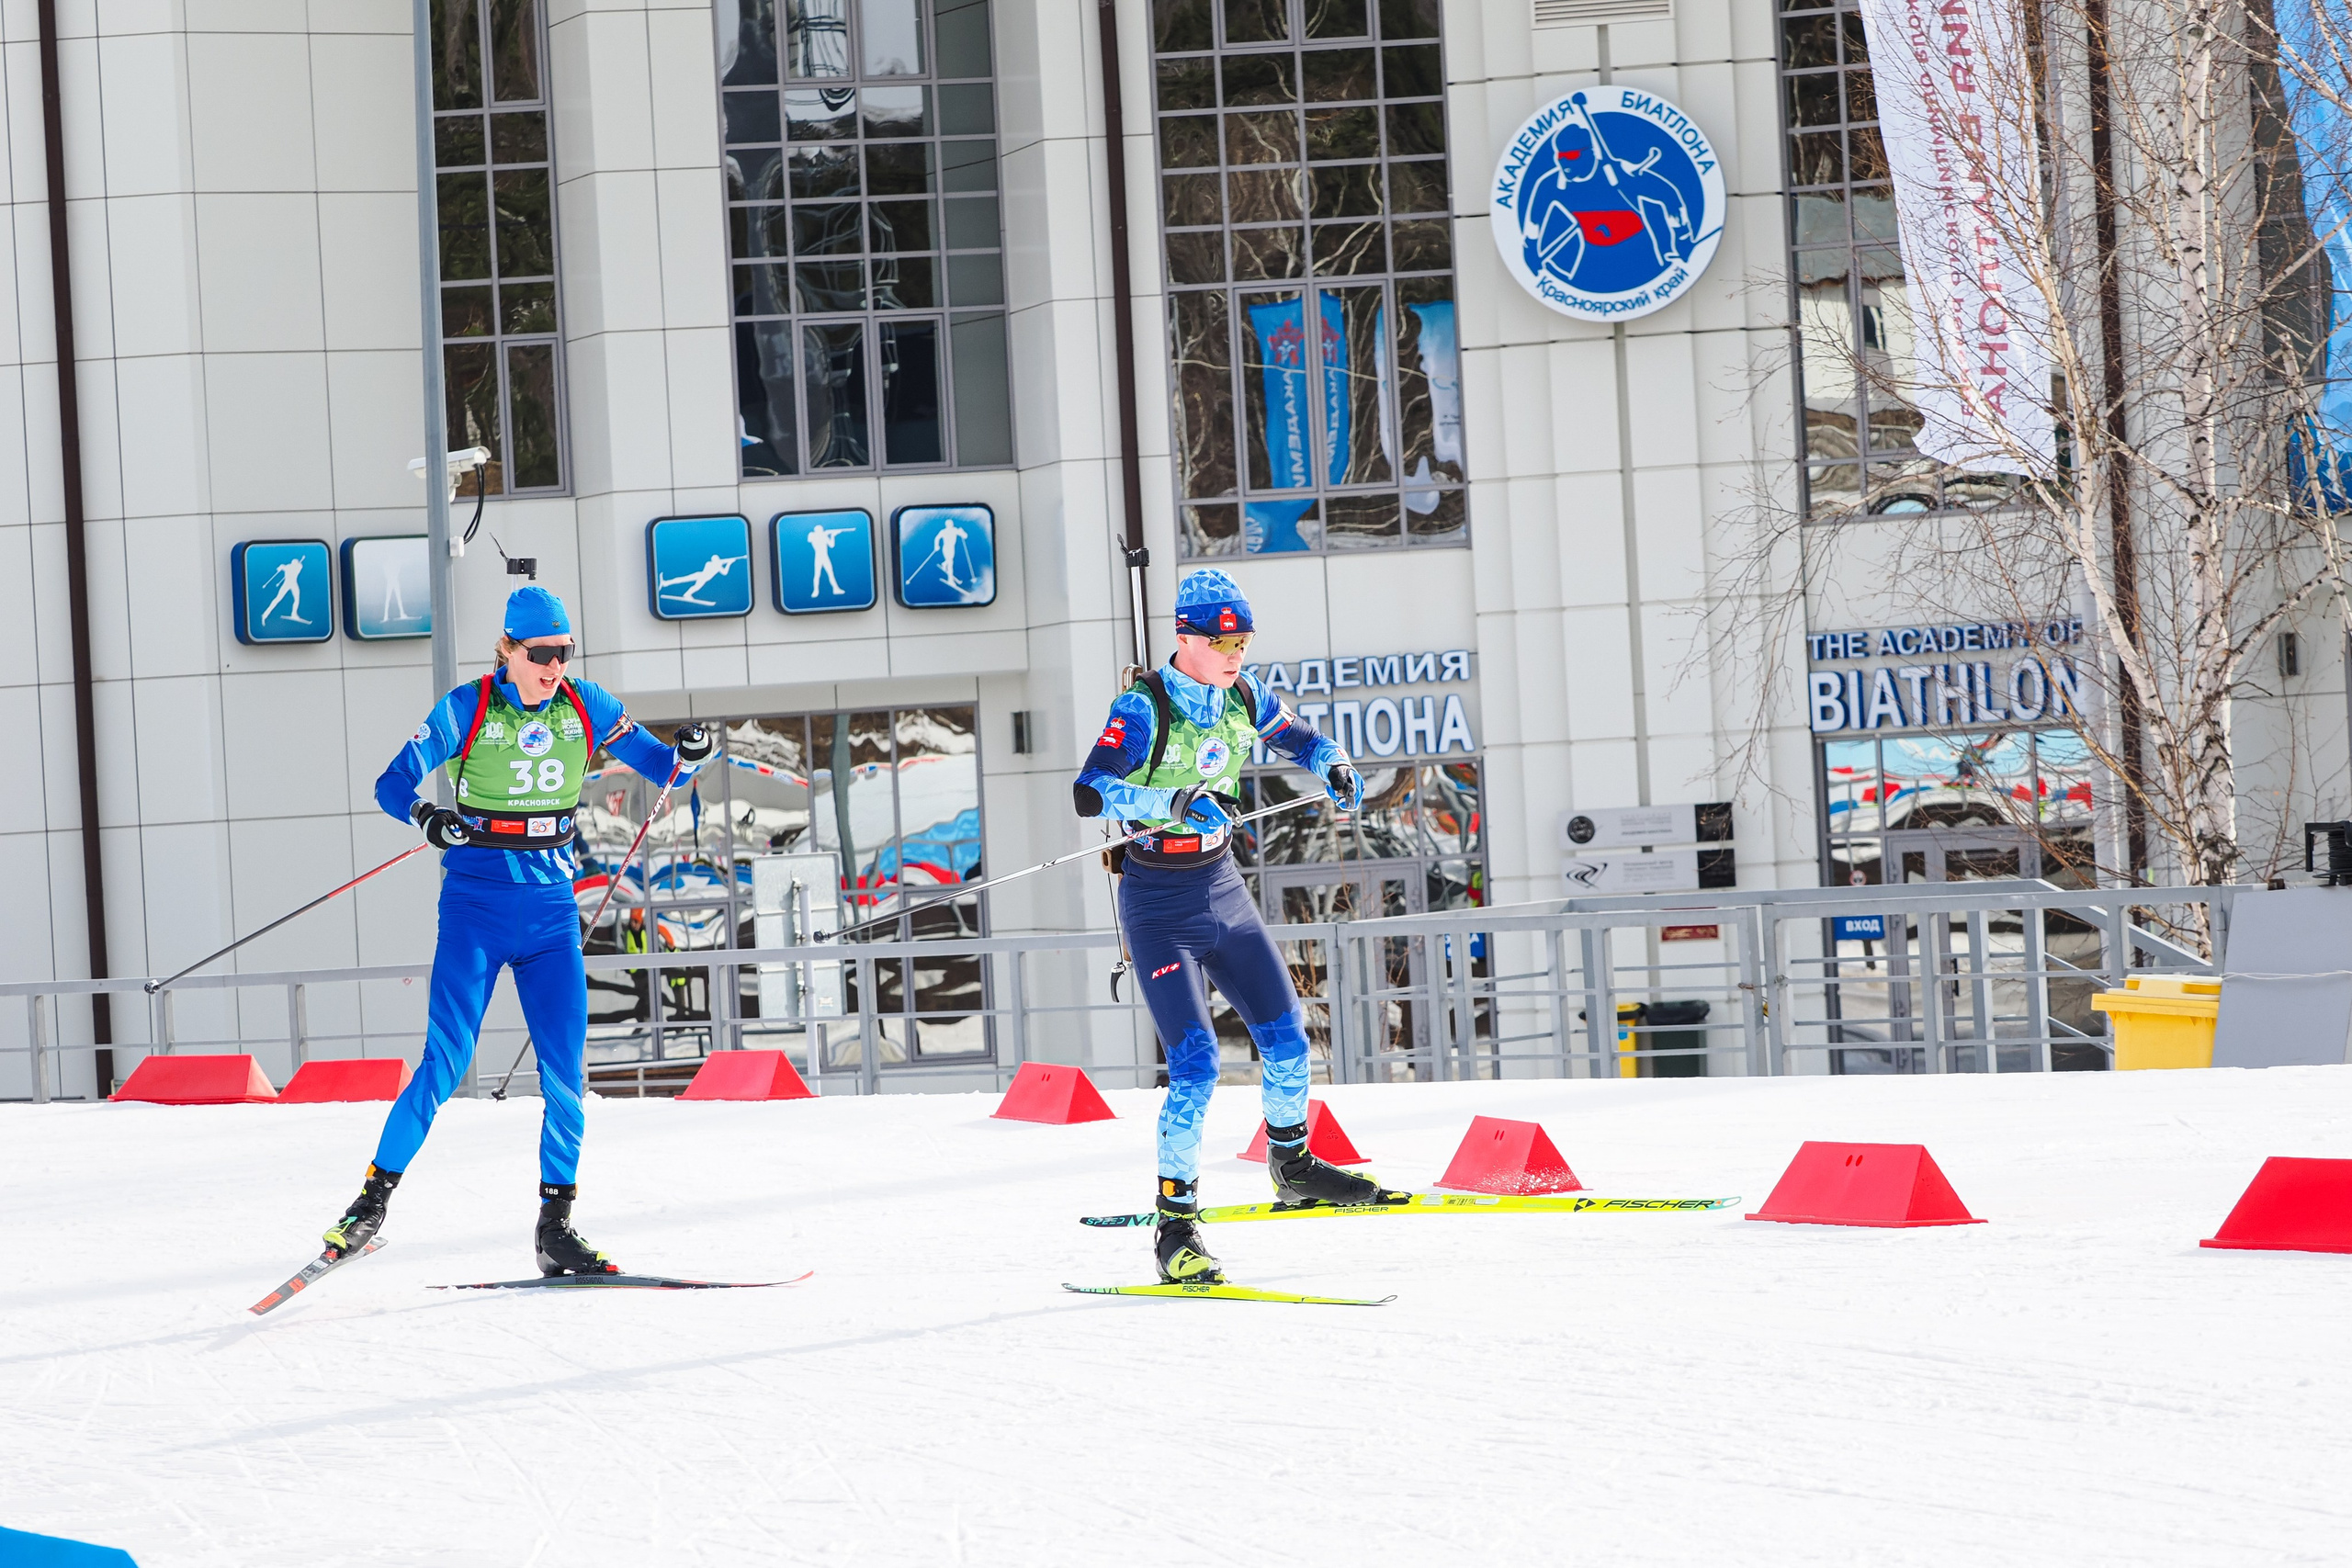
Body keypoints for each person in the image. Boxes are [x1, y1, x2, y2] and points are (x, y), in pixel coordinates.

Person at [320, 585, 715, 1276]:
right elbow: (390, 782)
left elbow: (666, 768)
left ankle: (555, 1226)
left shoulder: (587, 705)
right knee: (445, 1063)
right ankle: (369, 1205)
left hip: (551, 915)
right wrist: (425, 816)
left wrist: (695, 749)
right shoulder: (466, 707)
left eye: (564, 652)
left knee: (566, 1073)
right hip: (475, 908)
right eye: (541, 653)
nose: (555, 665)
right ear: (509, 649)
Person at [1072, 569, 1397, 1285]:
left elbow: (1300, 738)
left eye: (1243, 640)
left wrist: (1334, 763)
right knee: (1196, 1068)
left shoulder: (1243, 695)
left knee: (1288, 1042)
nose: (1235, 654)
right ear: (1186, 638)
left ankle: (1293, 1164)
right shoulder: (1146, 705)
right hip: (1158, 900)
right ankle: (1176, 1229)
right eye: (1224, 640)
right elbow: (1091, 790)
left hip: (1221, 886)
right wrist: (1175, 799)